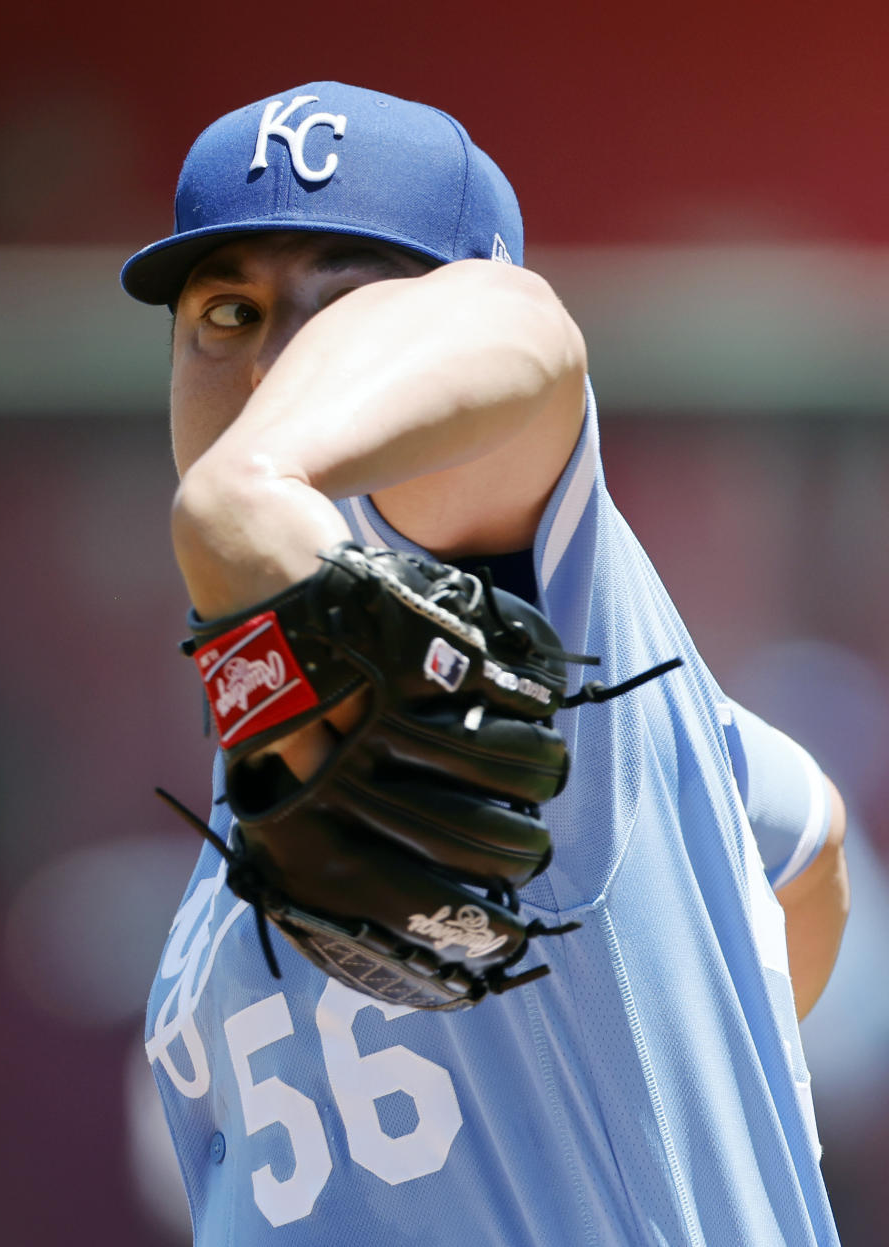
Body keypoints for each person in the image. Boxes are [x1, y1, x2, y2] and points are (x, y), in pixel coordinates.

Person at [122, 82, 849, 1245]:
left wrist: (243, 496)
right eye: (225, 313)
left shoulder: (512, 606)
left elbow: (525, 338)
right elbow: (805, 835)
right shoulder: (317, 709)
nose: (269, 365)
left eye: (352, 299)